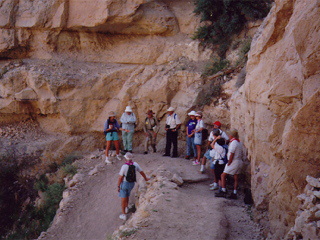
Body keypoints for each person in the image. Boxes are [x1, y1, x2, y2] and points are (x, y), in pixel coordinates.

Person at [117, 152, 149, 220]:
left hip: (125, 184)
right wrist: (145, 178)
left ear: (125, 158)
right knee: (127, 195)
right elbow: (141, 172)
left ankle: (124, 214)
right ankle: (127, 208)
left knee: (123, 199)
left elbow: (120, 177)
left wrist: (118, 186)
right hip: (132, 184)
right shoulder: (135, 164)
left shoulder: (124, 166)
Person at [215, 129, 243, 199]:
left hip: (233, 161)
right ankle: (234, 192)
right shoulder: (239, 143)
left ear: (231, 135)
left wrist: (229, 162)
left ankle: (223, 191)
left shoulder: (234, 143)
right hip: (239, 161)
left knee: (223, 175)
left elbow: (232, 154)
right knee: (236, 177)